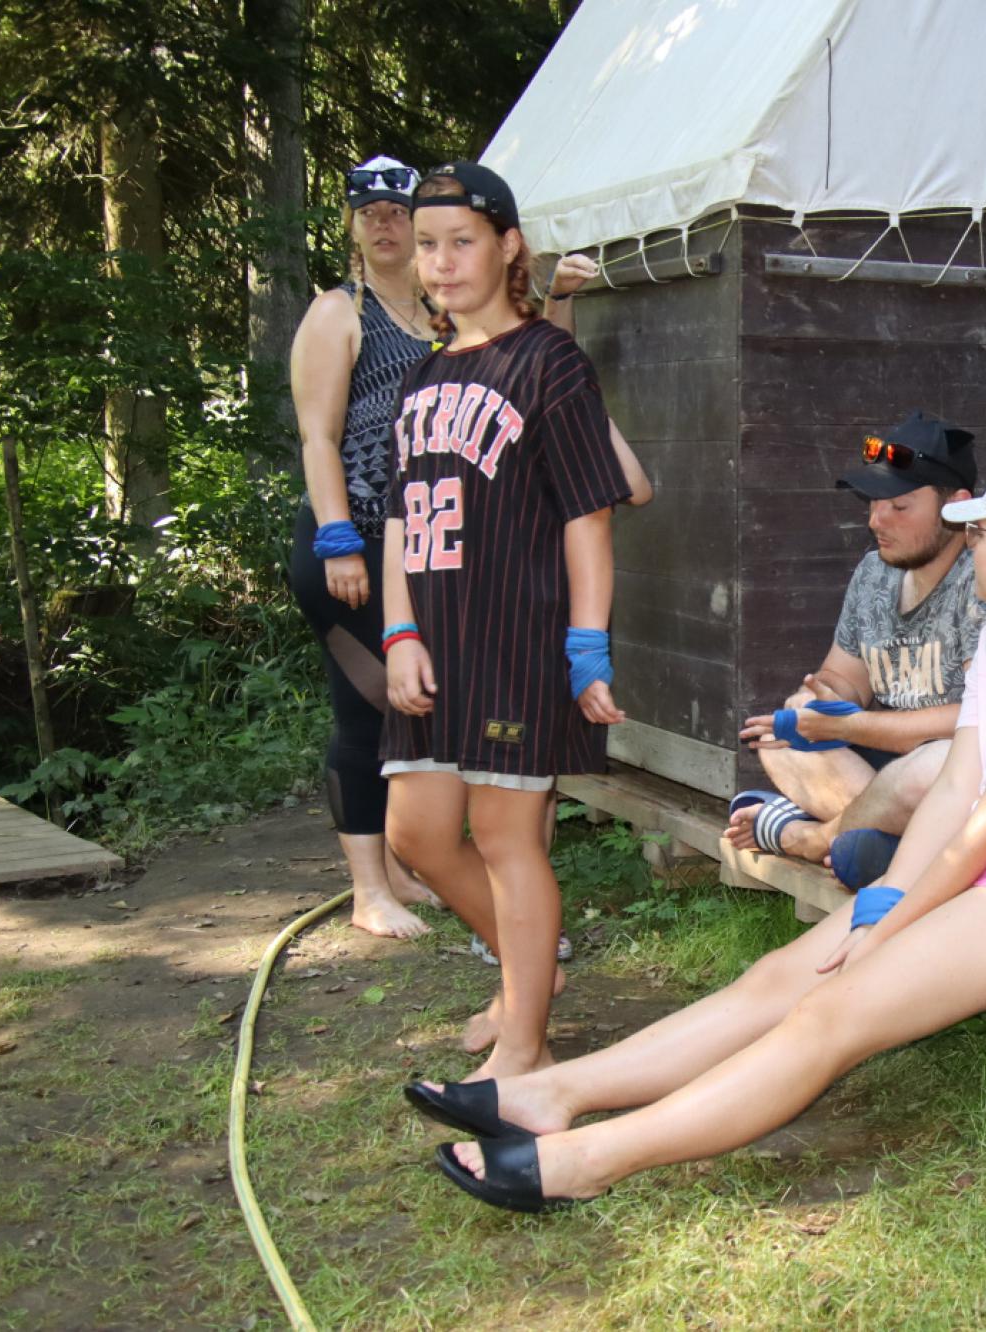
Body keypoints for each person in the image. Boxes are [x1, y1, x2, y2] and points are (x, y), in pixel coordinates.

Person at [410, 461, 986, 1213]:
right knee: (779, 978)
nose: (968, 548)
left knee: (830, 1012)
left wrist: (888, 928)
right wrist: (883, 903)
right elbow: (955, 790)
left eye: (979, 536)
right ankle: (551, 1094)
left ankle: (587, 1162)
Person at [379, 161, 633, 1081]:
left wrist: (587, 644)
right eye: (428, 246)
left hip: (516, 635)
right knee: (415, 833)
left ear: (508, 245)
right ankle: (533, 980)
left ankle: (525, 1042)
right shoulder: (420, 375)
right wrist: (398, 633)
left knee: (503, 837)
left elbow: (589, 511)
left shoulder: (549, 361)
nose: (442, 263)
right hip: (432, 640)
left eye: (462, 242)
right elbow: (399, 522)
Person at [722, 413, 986, 886]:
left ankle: (814, 835)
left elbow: (979, 718)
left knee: (917, 784)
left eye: (899, 507)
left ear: (956, 506)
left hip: (953, 772)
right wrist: (815, 703)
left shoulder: (984, 578)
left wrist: (850, 725)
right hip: (882, 772)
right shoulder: (874, 572)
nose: (875, 520)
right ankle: (889, 840)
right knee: (779, 737)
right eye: (873, 503)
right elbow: (843, 679)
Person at [287, 155, 444, 940]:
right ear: (351, 225)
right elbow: (318, 436)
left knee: (410, 710)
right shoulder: (338, 313)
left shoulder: (441, 315)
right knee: (366, 709)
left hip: (419, 548)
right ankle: (368, 891)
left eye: (397, 211)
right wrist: (338, 537)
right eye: (368, 212)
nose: (384, 223)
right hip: (349, 547)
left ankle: (403, 869)